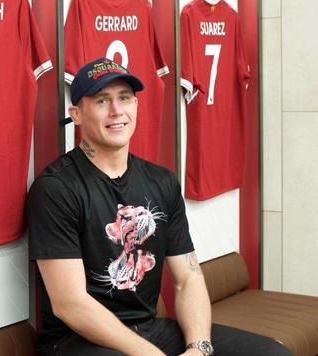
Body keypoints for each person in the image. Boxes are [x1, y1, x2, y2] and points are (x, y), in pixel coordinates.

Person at [26, 58, 290, 356]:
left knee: (272, 353)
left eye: (124, 98)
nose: (116, 111)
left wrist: (198, 349)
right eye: (102, 100)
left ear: (136, 106)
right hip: (78, 342)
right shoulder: (56, 188)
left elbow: (188, 277)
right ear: (76, 114)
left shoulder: (161, 181)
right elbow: (70, 304)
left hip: (149, 329)